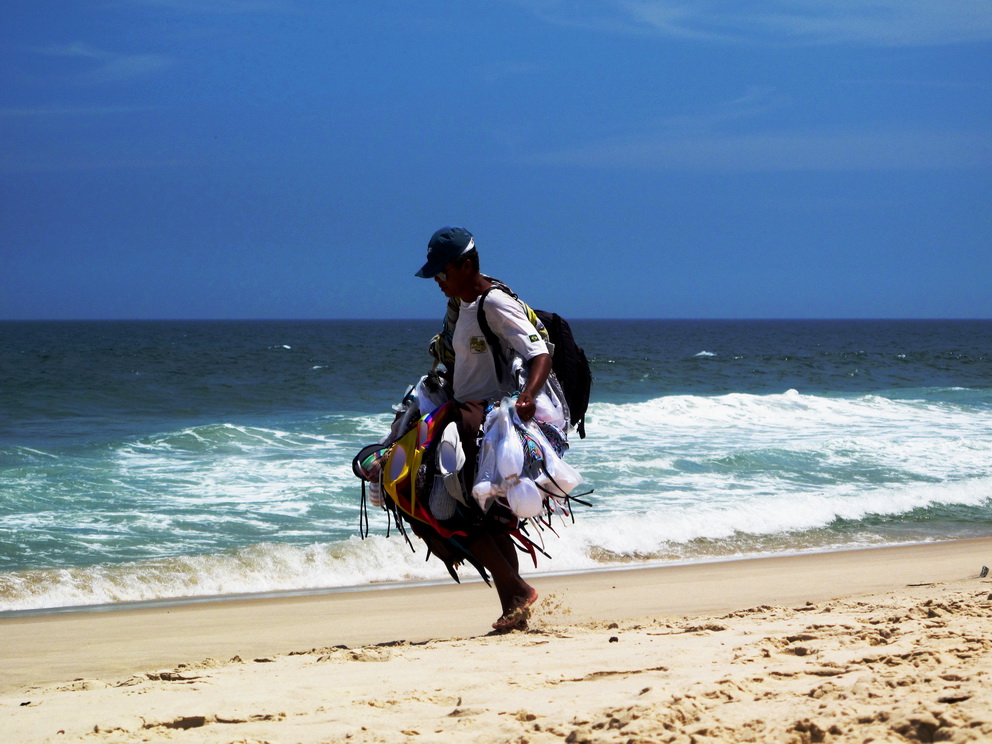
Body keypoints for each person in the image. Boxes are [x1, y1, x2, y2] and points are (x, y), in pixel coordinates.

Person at [415, 226, 553, 630]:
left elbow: (538, 351)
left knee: (446, 510)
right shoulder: (462, 306)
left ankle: (518, 590)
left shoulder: (494, 302)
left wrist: (528, 394)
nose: (439, 283)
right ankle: (514, 606)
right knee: (486, 518)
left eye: (444, 273)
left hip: (487, 420)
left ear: (467, 264)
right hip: (463, 412)